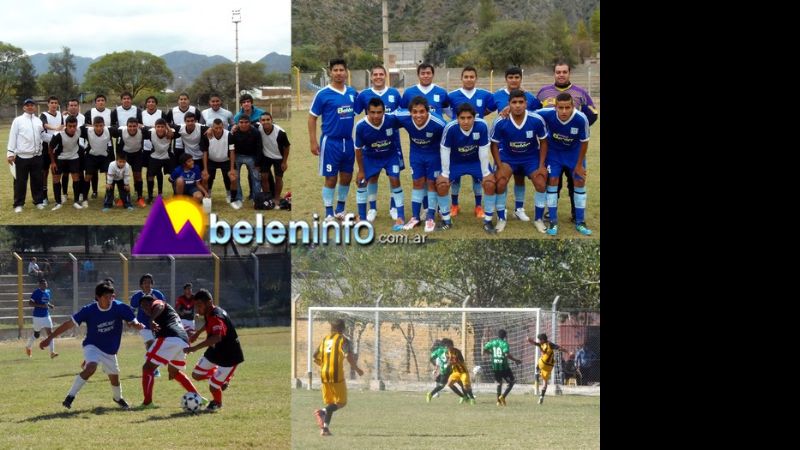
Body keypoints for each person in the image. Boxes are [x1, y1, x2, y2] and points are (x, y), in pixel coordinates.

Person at [40, 282, 144, 409]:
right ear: (98, 297)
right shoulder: (89, 310)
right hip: (92, 345)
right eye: (106, 297)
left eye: (111, 296)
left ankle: (118, 398)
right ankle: (69, 397)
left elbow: (132, 321)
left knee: (114, 378)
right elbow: (68, 324)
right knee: (91, 368)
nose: (109, 299)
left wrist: (137, 325)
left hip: (110, 350)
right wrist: (49, 338)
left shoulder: (120, 307)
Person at [536, 61, 598, 224]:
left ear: (569, 73)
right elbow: (534, 114)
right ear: (554, 74)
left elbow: (592, 113)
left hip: (573, 147)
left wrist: (575, 129)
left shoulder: (580, 92)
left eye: (564, 72)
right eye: (558, 72)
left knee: (575, 180)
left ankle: (575, 213)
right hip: (554, 147)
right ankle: (551, 212)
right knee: (553, 180)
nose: (561, 74)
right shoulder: (543, 92)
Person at [487, 89, 549, 234]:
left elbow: (544, 142)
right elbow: (494, 144)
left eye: (521, 102)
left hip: (530, 157)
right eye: (514, 102)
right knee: (501, 181)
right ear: (508, 104)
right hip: (509, 157)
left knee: (540, 182)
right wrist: (500, 165)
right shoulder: (501, 120)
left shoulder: (536, 119)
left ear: (526, 103)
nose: (518, 105)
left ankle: (538, 219)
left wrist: (541, 165)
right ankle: (502, 218)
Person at [308, 59, 358, 222]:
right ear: (330, 72)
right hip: (330, 142)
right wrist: (313, 141)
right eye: (335, 70)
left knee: (347, 176)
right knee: (330, 177)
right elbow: (312, 118)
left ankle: (340, 209)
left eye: (341, 70)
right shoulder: (323, 94)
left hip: (348, 142)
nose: (338, 73)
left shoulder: (352, 92)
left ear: (346, 72)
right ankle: (329, 211)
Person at [536, 92, 592, 236]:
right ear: (555, 107)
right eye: (560, 108)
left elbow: (584, 143)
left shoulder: (581, 119)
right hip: (554, 153)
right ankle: (553, 221)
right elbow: (528, 114)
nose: (564, 111)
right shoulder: (547, 114)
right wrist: (508, 110)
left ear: (573, 106)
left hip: (574, 154)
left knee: (579, 181)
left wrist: (579, 165)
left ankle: (580, 222)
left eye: (568, 107)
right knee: (553, 180)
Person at [354, 64, 404, 220]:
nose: (378, 77)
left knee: (394, 176)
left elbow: (403, 115)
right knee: (372, 177)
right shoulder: (363, 95)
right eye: (375, 74)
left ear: (385, 76)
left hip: (392, 142)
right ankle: (372, 209)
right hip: (371, 141)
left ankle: (394, 207)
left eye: (381, 74)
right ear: (371, 77)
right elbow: (353, 113)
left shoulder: (394, 93)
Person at [493, 66, 543, 222]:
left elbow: (538, 114)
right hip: (506, 145)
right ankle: (502, 211)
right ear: (506, 79)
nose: (514, 80)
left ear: (521, 78)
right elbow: (483, 110)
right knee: (502, 179)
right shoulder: (497, 96)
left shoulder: (529, 97)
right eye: (510, 77)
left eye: (517, 77)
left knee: (520, 178)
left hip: (527, 146)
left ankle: (519, 209)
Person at [446, 66, 497, 218]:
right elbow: (447, 110)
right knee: (455, 178)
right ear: (461, 78)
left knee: (479, 176)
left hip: (476, 141)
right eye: (466, 76)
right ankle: (454, 205)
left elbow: (490, 109)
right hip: (458, 141)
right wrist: (455, 120)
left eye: (471, 76)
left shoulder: (485, 94)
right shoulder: (452, 95)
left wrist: (479, 118)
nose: (469, 79)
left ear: (476, 78)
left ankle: (478, 206)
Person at [137, 294, 203, 408]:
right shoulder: (166, 313)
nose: (145, 308)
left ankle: (147, 403)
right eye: (143, 307)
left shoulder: (158, 303)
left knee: (147, 368)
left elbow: (159, 306)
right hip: (182, 340)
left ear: (152, 302)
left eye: (146, 305)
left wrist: (151, 319)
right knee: (174, 372)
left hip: (170, 337)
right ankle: (198, 397)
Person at [393, 96, 448, 232]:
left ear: (427, 111)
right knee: (417, 183)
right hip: (416, 154)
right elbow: (388, 116)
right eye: (415, 112)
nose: (418, 115)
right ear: (410, 112)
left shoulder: (438, 123)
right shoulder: (403, 116)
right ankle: (415, 217)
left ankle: (430, 217)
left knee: (431, 184)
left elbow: (447, 140)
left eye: (422, 111)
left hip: (433, 155)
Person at [185, 288, 245, 411]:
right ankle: (221, 380)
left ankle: (217, 402)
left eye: (199, 305)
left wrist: (194, 348)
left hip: (230, 355)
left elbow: (217, 337)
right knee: (196, 375)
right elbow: (208, 324)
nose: (197, 309)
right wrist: (197, 333)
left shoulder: (217, 316)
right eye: (195, 306)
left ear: (209, 302)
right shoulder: (209, 312)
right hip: (215, 351)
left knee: (213, 386)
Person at [438, 103, 492, 231]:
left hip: (475, 161)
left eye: (469, 118)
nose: (466, 121)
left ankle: (486, 218)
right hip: (456, 162)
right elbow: (444, 150)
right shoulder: (450, 128)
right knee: (441, 184)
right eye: (462, 118)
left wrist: (486, 173)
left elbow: (484, 151)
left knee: (490, 183)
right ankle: (447, 219)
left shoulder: (482, 126)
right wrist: (445, 174)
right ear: (457, 118)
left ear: (475, 117)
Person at [312, 319, 364, 436]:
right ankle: (321, 412)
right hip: (336, 374)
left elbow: (315, 356)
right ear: (343, 328)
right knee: (341, 403)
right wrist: (357, 369)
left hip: (324, 374)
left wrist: (323, 365)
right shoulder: (343, 340)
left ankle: (325, 429)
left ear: (332, 328)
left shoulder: (325, 339)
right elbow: (348, 356)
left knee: (331, 403)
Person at [7, 98, 46, 213]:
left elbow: (43, 136)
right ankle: (19, 204)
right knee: (20, 182)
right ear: (24, 107)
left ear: (34, 107)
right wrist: (10, 153)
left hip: (37, 156)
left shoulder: (38, 121)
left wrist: (58, 135)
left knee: (37, 180)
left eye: (32, 105)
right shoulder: (18, 121)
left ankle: (38, 201)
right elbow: (12, 137)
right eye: (27, 105)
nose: (30, 107)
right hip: (22, 157)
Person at [129, 274, 167, 377]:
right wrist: (131, 322)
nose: (147, 284)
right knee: (151, 345)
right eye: (145, 282)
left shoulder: (158, 294)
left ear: (152, 284)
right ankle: (155, 369)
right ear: (141, 285)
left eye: (149, 282)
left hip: (157, 325)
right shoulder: (136, 297)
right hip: (143, 325)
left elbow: (164, 308)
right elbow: (131, 311)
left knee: (157, 346)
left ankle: (153, 365)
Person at [48, 115, 84, 210]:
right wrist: (53, 162)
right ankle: (58, 202)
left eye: (74, 126)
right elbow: (50, 148)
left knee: (76, 178)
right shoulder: (58, 135)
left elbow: (89, 128)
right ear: (66, 126)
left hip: (73, 157)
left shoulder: (79, 131)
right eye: (70, 126)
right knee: (56, 179)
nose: (72, 128)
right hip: (60, 158)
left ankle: (76, 201)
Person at [254, 112, 290, 204]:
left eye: (268, 120)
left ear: (271, 120)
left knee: (278, 178)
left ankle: (277, 198)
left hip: (279, 157)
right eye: (263, 120)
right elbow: (246, 124)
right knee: (264, 176)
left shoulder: (280, 132)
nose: (265, 122)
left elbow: (287, 147)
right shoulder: (258, 127)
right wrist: (235, 127)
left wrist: (284, 162)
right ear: (260, 121)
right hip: (266, 156)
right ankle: (267, 197)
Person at [228, 114, 263, 209]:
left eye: (246, 122)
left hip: (251, 156)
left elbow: (259, 148)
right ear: (238, 123)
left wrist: (258, 163)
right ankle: (239, 198)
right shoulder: (233, 132)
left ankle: (256, 199)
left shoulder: (255, 132)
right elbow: (231, 148)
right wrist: (232, 164)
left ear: (250, 123)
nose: (244, 124)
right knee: (236, 177)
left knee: (256, 177)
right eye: (241, 122)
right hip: (237, 156)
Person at [81, 116, 115, 208]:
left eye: (101, 126)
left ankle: (109, 197)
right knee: (87, 177)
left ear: (104, 125)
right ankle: (84, 199)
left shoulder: (110, 130)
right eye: (96, 126)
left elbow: (122, 130)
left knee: (109, 176)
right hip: (91, 156)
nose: (99, 128)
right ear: (92, 125)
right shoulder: (87, 130)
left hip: (104, 156)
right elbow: (75, 129)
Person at [201, 118, 236, 204]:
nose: (218, 130)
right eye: (216, 128)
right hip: (211, 160)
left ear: (223, 126)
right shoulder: (207, 135)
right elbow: (204, 152)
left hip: (225, 160)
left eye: (220, 128)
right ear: (212, 127)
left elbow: (232, 151)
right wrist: (205, 168)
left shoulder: (229, 135)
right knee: (207, 177)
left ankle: (229, 194)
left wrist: (232, 168)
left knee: (230, 177)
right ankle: (208, 193)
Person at [84, 94, 113, 198]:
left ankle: (109, 195)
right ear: (95, 102)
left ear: (105, 102)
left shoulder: (110, 112)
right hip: (93, 144)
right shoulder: (89, 112)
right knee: (91, 171)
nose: (101, 102)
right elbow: (84, 125)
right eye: (98, 100)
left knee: (108, 172)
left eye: (102, 100)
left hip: (106, 145)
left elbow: (115, 126)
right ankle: (94, 191)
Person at [482, 329, 521, 406]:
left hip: (495, 366)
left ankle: (498, 401)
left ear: (498, 335)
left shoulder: (492, 342)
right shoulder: (504, 344)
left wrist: (491, 353)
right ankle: (502, 397)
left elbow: (484, 350)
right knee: (512, 382)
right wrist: (515, 360)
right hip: (504, 367)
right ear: (505, 336)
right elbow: (506, 354)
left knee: (499, 383)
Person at [115, 117, 147, 207]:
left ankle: (140, 197)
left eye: (134, 126)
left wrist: (144, 126)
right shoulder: (121, 131)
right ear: (126, 126)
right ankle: (122, 197)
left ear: (138, 126)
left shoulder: (142, 131)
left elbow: (151, 130)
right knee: (121, 175)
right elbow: (111, 131)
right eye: (130, 126)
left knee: (138, 175)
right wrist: (118, 158)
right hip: (125, 155)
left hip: (137, 154)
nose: (132, 128)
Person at [143, 118, 176, 202]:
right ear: (155, 127)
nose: (160, 128)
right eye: (158, 126)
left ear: (166, 127)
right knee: (150, 175)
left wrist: (168, 128)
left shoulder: (171, 132)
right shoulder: (151, 132)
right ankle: (150, 196)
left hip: (167, 156)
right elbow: (141, 127)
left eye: (162, 127)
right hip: (155, 156)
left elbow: (179, 129)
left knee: (175, 175)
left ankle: (176, 195)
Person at [527, 333, 566, 404]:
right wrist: (568, 352)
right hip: (549, 366)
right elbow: (559, 348)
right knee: (545, 383)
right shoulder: (549, 344)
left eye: (540, 340)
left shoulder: (546, 344)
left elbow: (535, 343)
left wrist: (530, 340)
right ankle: (541, 397)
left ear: (543, 340)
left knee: (539, 362)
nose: (539, 341)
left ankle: (537, 377)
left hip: (543, 363)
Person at [40, 96, 64, 205]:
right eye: (52, 103)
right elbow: (44, 125)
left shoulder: (60, 114)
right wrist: (55, 129)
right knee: (44, 173)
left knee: (56, 172)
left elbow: (63, 126)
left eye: (56, 103)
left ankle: (59, 197)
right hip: (46, 147)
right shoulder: (43, 115)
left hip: (57, 148)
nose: (54, 105)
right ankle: (44, 197)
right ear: (48, 104)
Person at [25, 278, 58, 359]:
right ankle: (28, 347)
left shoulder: (48, 292)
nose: (45, 285)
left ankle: (52, 352)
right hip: (37, 317)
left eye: (45, 283)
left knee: (50, 334)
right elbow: (30, 303)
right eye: (43, 284)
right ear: (39, 285)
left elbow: (46, 302)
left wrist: (50, 305)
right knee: (36, 335)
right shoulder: (36, 292)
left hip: (46, 316)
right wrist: (41, 306)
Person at [166, 92, 201, 165]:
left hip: (191, 144)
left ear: (189, 101)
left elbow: (200, 124)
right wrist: (169, 131)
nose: (183, 101)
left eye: (185, 99)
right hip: (177, 144)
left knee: (190, 165)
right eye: (181, 99)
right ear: (178, 101)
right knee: (177, 165)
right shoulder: (172, 111)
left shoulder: (195, 110)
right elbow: (166, 123)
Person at [426, 338, 464, 402]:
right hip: (446, 371)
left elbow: (431, 358)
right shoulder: (442, 350)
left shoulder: (443, 350)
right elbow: (432, 358)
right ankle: (430, 394)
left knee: (459, 382)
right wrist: (437, 365)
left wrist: (436, 365)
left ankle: (465, 396)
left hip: (451, 369)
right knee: (443, 385)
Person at [444, 338, 476, 404]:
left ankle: (472, 399)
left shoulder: (457, 352)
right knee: (449, 384)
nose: (447, 347)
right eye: (446, 346)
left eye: (448, 346)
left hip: (463, 372)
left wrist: (454, 362)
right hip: (455, 372)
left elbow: (462, 361)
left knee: (465, 386)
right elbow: (447, 362)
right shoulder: (446, 352)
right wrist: (448, 364)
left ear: (452, 345)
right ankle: (463, 396)